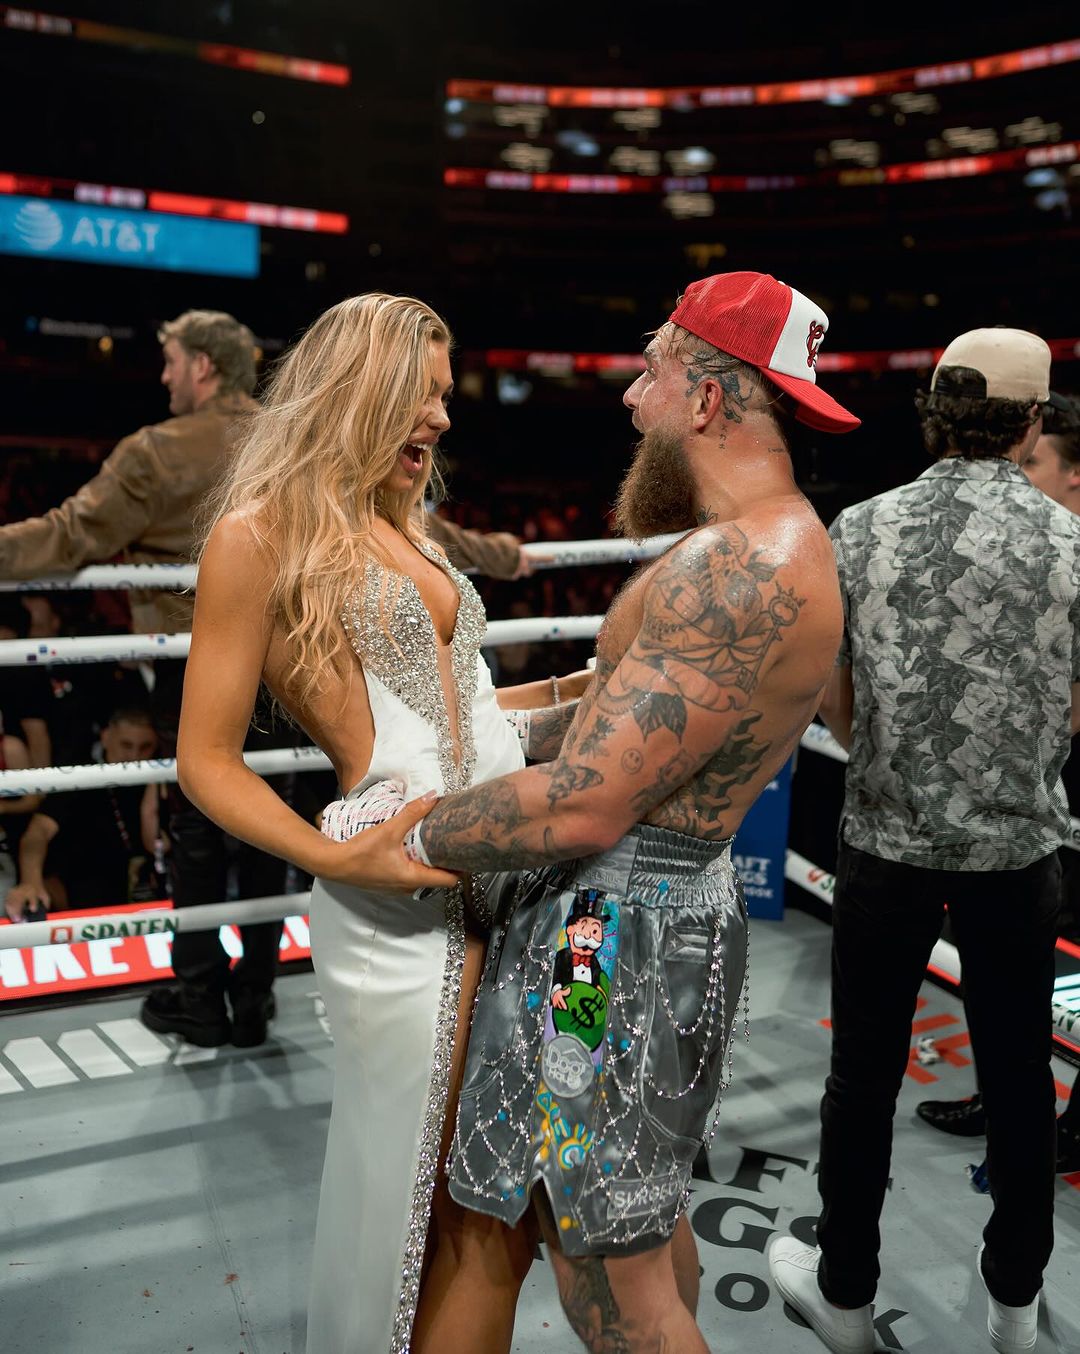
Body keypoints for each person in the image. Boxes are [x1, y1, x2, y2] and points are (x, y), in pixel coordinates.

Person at [346, 271, 860, 1352]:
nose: (633, 400)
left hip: (600, 946)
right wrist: (488, 725)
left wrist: (402, 833)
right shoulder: (766, 543)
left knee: (606, 1274)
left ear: (710, 397)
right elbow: (622, 719)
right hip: (647, 919)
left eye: (653, 372)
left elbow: (583, 809)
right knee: (628, 1213)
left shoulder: (742, 566)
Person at [174, 291, 591, 1354]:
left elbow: (459, 716)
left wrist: (579, 693)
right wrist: (332, 852)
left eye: (446, 399)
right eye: (423, 395)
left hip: (508, 881)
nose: (442, 419)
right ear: (356, 387)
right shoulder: (257, 534)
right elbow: (204, 760)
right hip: (398, 902)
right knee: (421, 1208)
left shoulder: (406, 523)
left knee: (489, 1205)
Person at [766, 329, 1076, 1354]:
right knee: (1021, 1076)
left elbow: (837, 702)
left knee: (862, 1075)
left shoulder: (860, 527)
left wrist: (905, 761)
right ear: (1031, 420)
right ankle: (1016, 1305)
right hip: (1019, 850)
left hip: (888, 839)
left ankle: (846, 1292)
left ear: (935, 409)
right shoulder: (1071, 540)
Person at [915, 389, 1080, 1176]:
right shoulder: (1024, 551)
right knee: (1019, 960)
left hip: (1054, 791)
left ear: (1073, 475)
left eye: (1036, 460)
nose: (1018, 470)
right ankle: (1010, 1099)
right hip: (1034, 798)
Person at [4, 706, 163, 919]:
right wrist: (31, 882)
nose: (134, 756)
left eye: (145, 747)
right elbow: (38, 831)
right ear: (106, 737)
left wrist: (154, 787)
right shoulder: (82, 775)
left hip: (148, 887)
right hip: (87, 889)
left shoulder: (160, 778)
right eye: (126, 745)